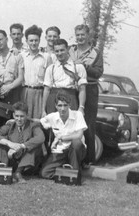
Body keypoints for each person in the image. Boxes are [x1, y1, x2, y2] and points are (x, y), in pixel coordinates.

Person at [69, 24, 104, 164]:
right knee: (71, 123)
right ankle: (71, 158)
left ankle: (89, 160)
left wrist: (84, 66)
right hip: (73, 89)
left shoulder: (95, 53)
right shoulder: (71, 50)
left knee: (88, 125)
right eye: (77, 35)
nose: (80, 37)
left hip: (89, 89)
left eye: (83, 34)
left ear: (88, 35)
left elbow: (98, 73)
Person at [0, 102, 46, 183]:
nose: (19, 119)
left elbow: (40, 137)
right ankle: (2, 170)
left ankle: (18, 172)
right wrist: (9, 143)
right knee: (1, 144)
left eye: (22, 116)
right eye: (17, 116)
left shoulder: (33, 125)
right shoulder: (11, 125)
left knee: (34, 146)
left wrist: (22, 146)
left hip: (28, 164)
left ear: (27, 115)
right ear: (13, 115)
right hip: (13, 158)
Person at [40, 91, 87, 179]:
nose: (63, 108)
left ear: (70, 105)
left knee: (76, 143)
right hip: (60, 151)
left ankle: (75, 176)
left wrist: (60, 138)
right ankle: (66, 174)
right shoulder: (52, 117)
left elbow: (79, 135)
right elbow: (40, 121)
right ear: (56, 106)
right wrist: (22, 120)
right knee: (44, 173)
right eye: (60, 105)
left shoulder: (78, 115)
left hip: (75, 151)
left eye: (65, 105)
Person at [42, 39, 87, 117]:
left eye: (62, 50)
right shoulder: (51, 68)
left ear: (68, 49)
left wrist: (81, 107)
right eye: (57, 51)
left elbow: (82, 89)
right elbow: (47, 90)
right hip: (53, 99)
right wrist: (43, 110)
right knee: (53, 126)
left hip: (70, 98)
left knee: (70, 125)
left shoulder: (78, 67)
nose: (59, 53)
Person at [21, 25, 52, 119]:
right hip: (25, 92)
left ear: (39, 41)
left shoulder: (46, 57)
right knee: (24, 118)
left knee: (39, 120)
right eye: (31, 40)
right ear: (26, 41)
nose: (33, 43)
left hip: (40, 92)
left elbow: (50, 79)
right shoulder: (21, 56)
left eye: (36, 40)